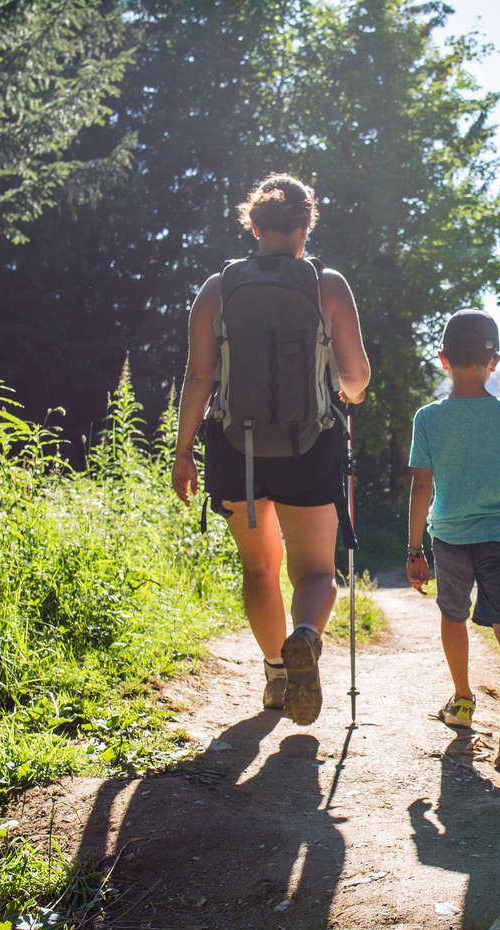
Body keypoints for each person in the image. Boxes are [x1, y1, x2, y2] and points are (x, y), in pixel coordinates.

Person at [171, 173, 370, 722]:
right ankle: (304, 635)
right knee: (315, 573)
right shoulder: (326, 286)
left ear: (254, 226)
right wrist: (344, 392)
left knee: (259, 570)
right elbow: (356, 377)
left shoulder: (218, 289)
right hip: (311, 444)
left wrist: (184, 450)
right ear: (306, 227)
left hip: (237, 449)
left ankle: (278, 677)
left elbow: (199, 376)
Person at [405, 310, 500, 772]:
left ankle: (463, 701)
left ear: (443, 360)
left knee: (452, 614)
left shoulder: (428, 419)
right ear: (495, 361)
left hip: (449, 536)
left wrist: (414, 550)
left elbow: (421, 487)